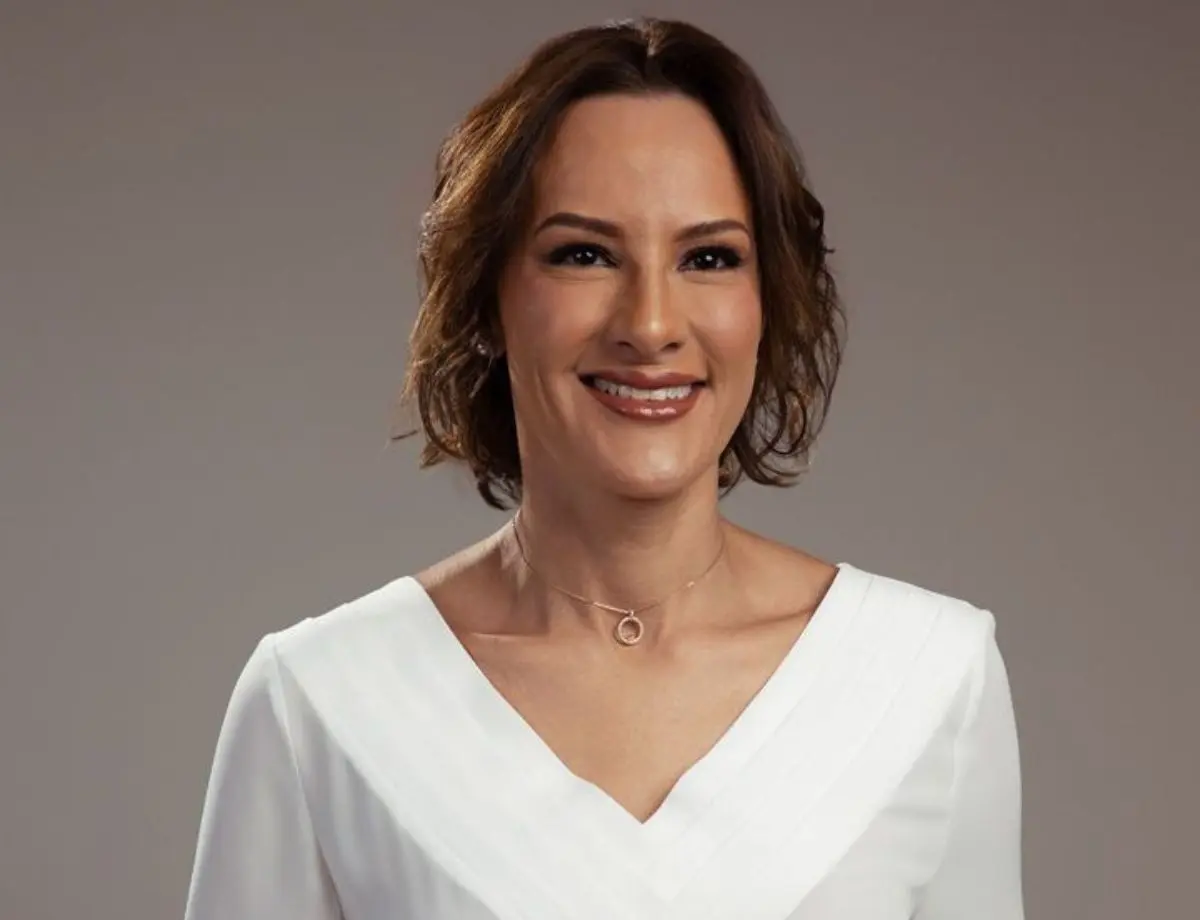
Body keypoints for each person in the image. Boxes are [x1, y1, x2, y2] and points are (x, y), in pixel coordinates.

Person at [183, 17, 1025, 920]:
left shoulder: (927, 677)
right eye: (584, 254)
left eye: (709, 258)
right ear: (486, 300)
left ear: (767, 302)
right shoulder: (323, 701)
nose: (651, 324)